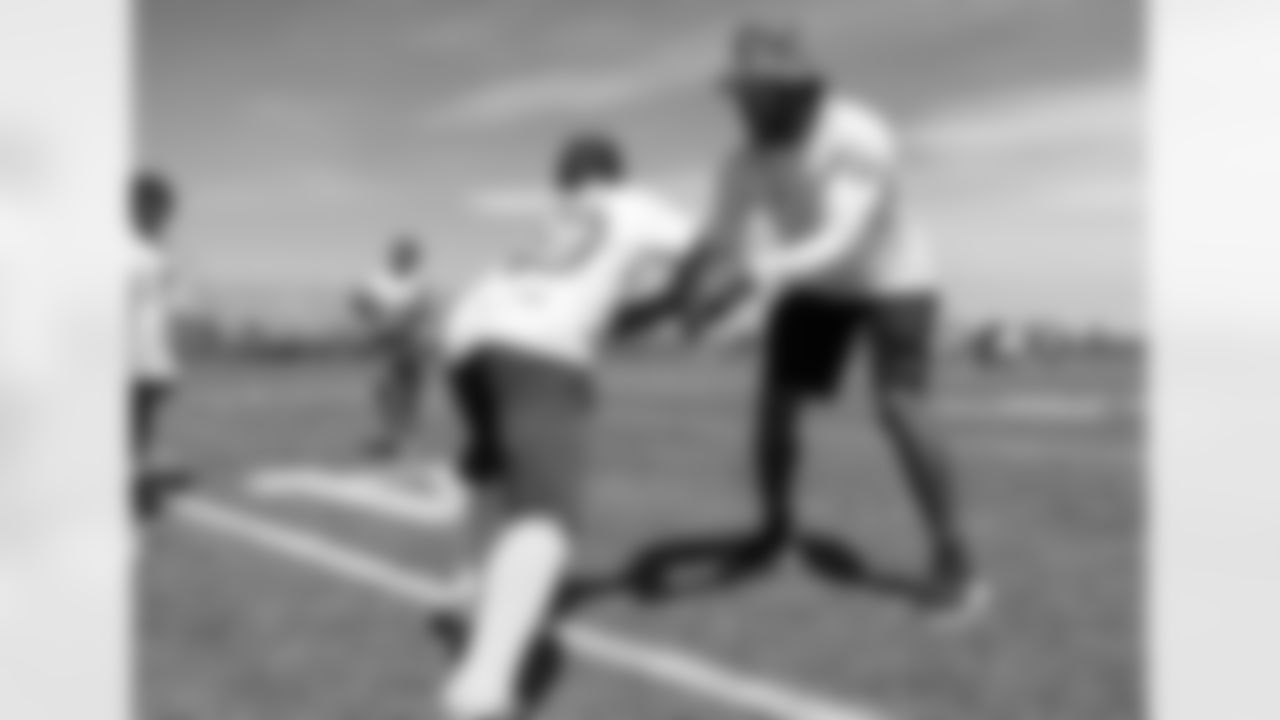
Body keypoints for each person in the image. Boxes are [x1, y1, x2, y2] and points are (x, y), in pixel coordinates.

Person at [684, 22, 987, 621]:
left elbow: (841, 240)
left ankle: (955, 560)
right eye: (741, 92)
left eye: (757, 91)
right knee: (775, 406)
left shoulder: (856, 134)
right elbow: (718, 236)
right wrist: (673, 292)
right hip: (814, 287)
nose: (744, 105)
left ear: (795, 88)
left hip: (893, 278)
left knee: (899, 403)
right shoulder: (743, 160)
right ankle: (774, 529)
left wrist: (751, 275)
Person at [434, 132, 696, 720]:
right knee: (547, 515)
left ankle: (466, 583)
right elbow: (708, 253)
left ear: (563, 180)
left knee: (492, 464)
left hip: (467, 337)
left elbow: (597, 309)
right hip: (537, 346)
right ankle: (481, 687)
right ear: (617, 175)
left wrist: (659, 305)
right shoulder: (632, 204)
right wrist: (690, 295)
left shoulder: (555, 216)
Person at [128, 171, 185, 519]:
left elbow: (164, 313)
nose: (163, 218)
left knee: (141, 426)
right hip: (119, 357)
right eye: (155, 208)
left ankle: (137, 486)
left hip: (150, 359)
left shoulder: (160, 256)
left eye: (164, 210)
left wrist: (168, 362)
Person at [351, 235, 435, 459]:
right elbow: (359, 303)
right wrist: (379, 319)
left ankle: (406, 437)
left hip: (410, 342)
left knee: (410, 391)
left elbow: (425, 309)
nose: (408, 260)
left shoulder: (417, 283)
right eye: (404, 255)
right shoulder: (377, 280)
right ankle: (390, 436)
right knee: (385, 389)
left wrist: (407, 318)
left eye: (411, 256)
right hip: (383, 343)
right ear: (395, 256)